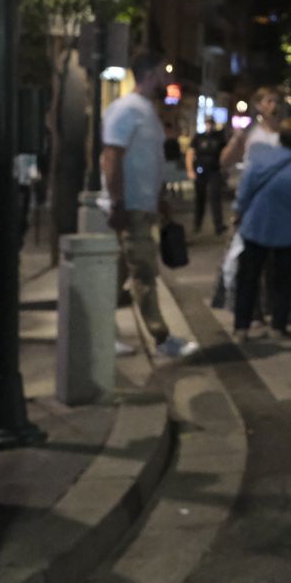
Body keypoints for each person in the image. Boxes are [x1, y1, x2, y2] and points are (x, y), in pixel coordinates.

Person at [99, 54, 191, 357]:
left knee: (119, 274)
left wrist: (160, 202)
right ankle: (162, 338)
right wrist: (117, 203)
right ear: (149, 74)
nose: (167, 78)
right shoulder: (127, 109)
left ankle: (101, 335)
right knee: (144, 273)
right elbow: (111, 157)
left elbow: (149, 162)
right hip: (131, 207)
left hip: (141, 206)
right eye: (163, 72)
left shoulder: (145, 111)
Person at [232, 118, 291, 341]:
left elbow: (245, 190)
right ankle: (278, 325)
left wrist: (237, 213)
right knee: (284, 280)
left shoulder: (260, 159)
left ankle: (241, 327)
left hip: (257, 226)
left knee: (249, 278)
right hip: (289, 230)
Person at [214, 87, 283, 308]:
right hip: (255, 203)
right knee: (250, 258)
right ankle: (251, 309)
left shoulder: (285, 134)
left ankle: (278, 306)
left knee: (279, 259)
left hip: (280, 204)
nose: (274, 106)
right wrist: (236, 140)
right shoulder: (252, 135)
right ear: (259, 106)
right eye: (269, 101)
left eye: (277, 102)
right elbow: (225, 162)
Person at [186, 117, 228, 235]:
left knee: (215, 197)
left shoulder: (219, 138)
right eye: (207, 123)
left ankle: (218, 226)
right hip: (201, 170)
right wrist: (190, 170)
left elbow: (225, 153)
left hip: (214, 170)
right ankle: (197, 224)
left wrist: (224, 167)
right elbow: (190, 153)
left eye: (211, 123)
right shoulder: (199, 137)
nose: (209, 125)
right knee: (200, 198)